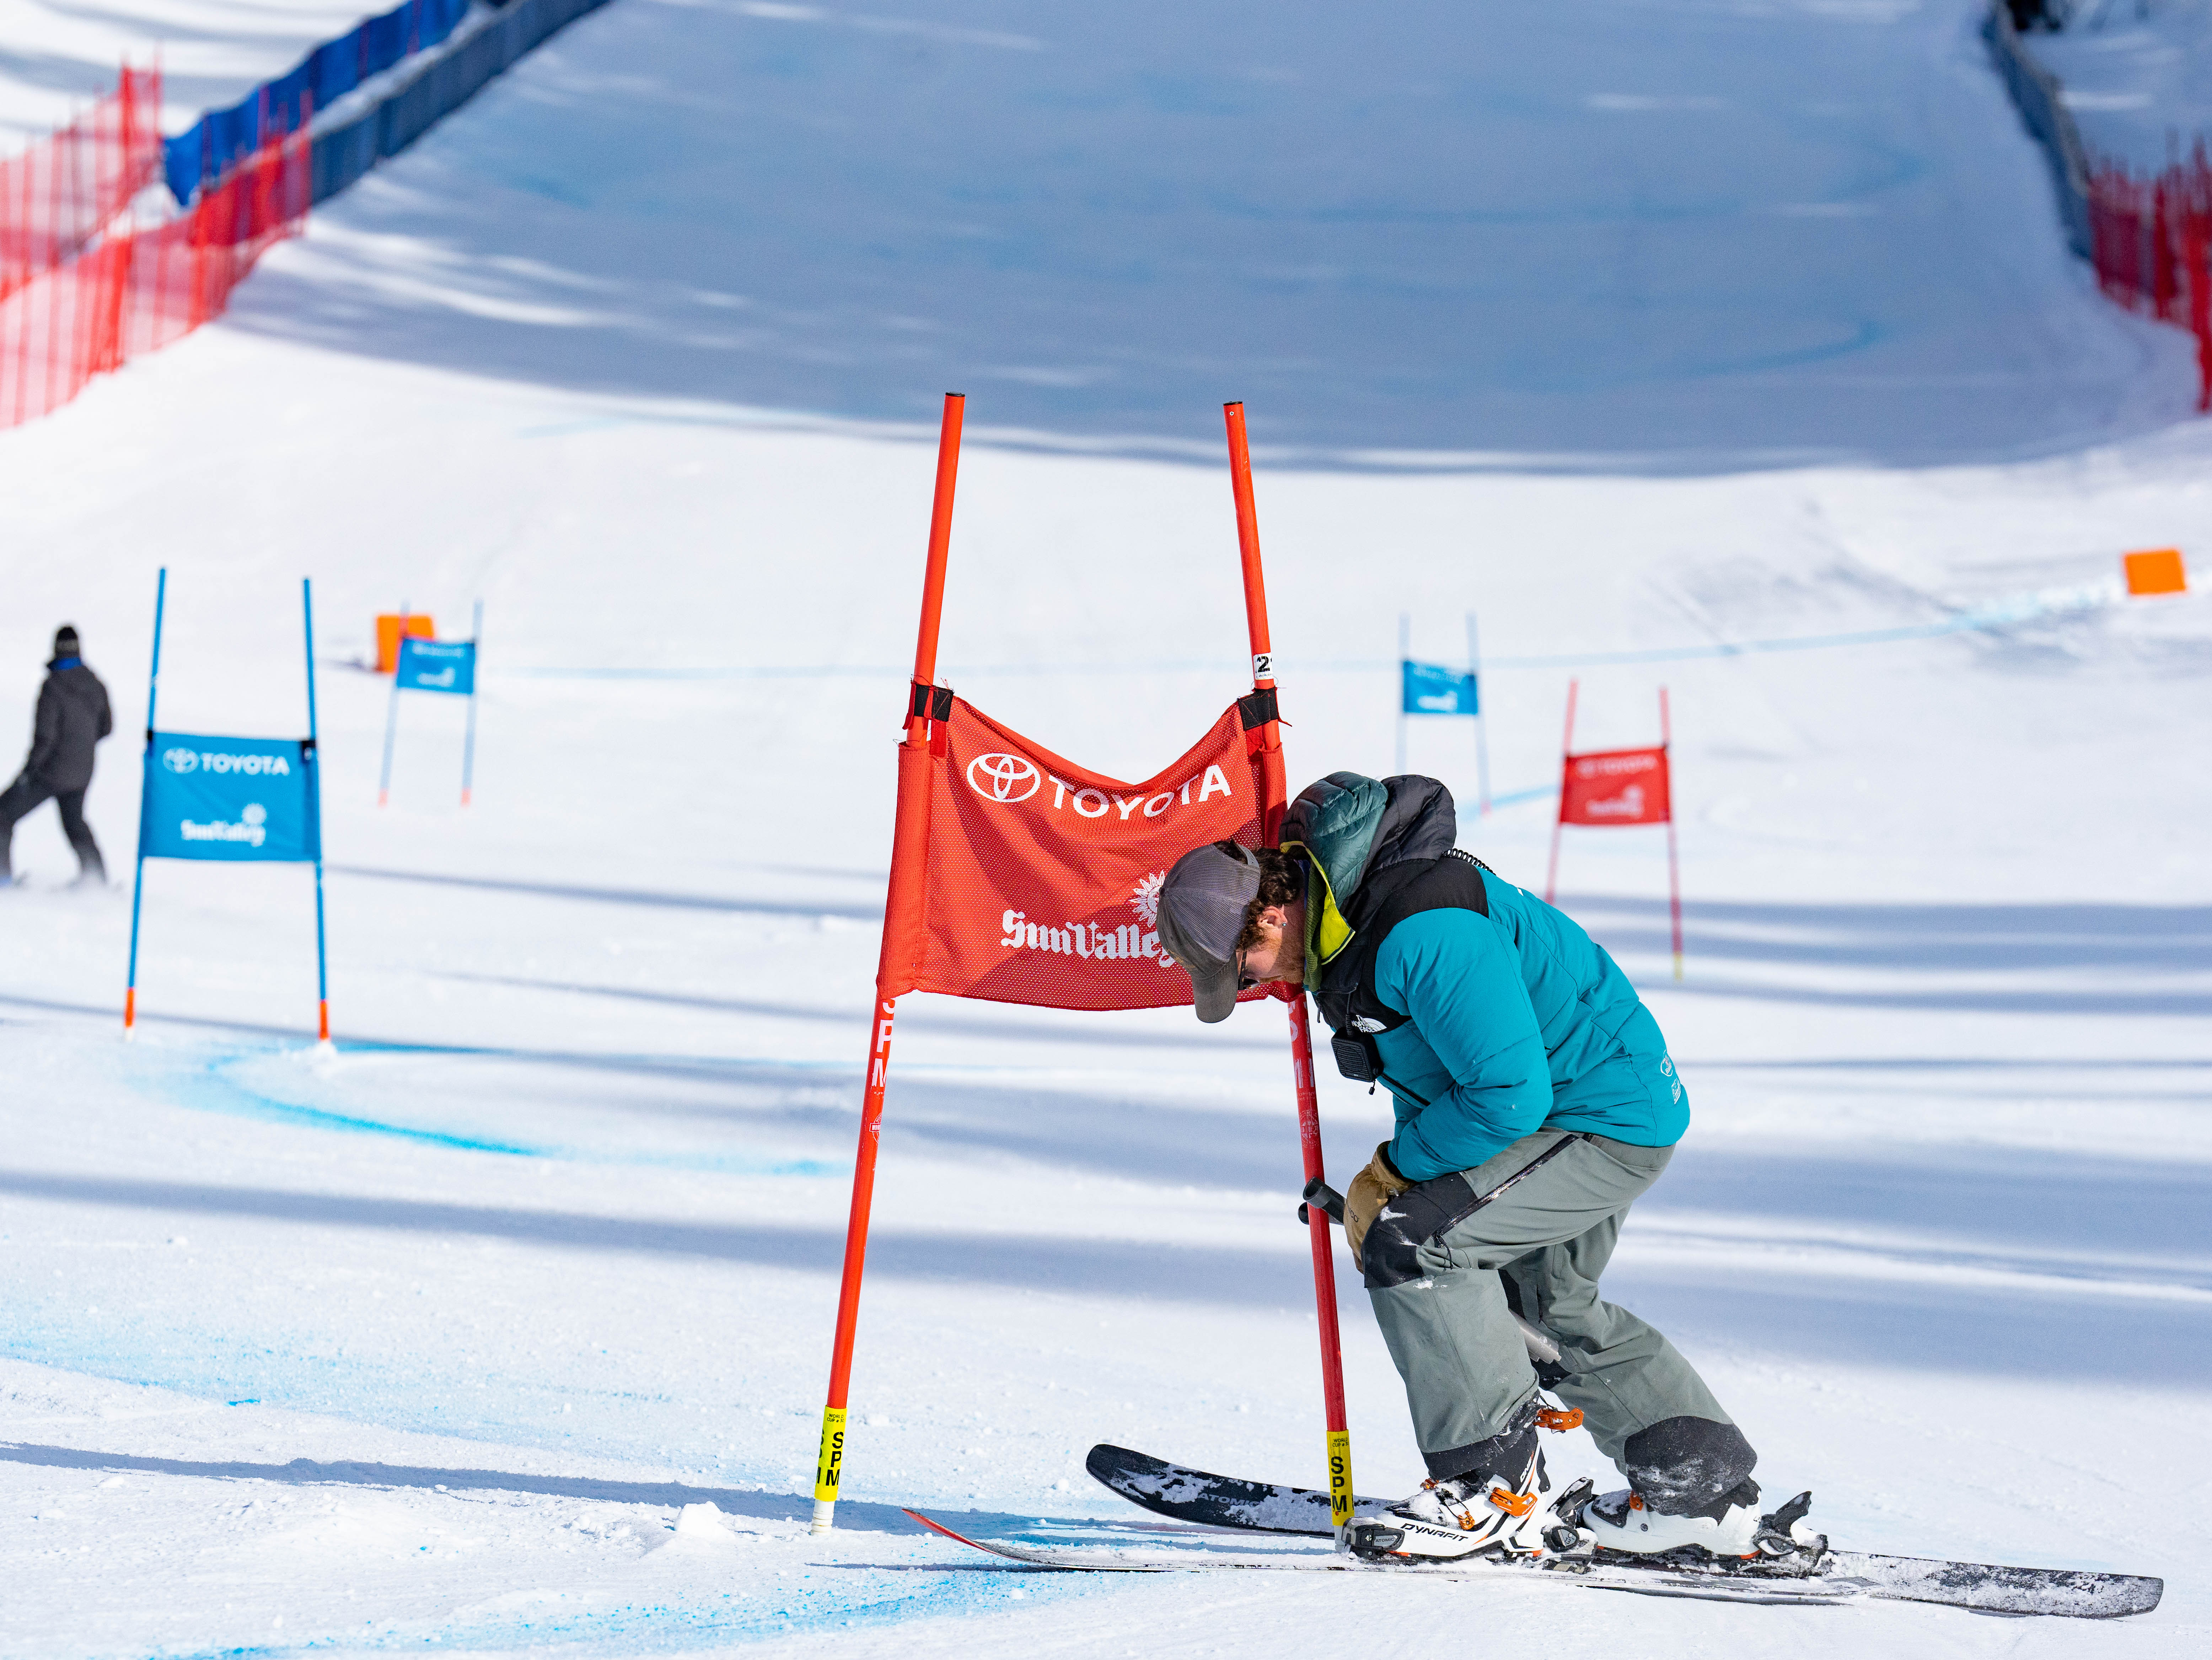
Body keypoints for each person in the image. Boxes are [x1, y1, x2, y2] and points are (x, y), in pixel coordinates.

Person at [1154, 771, 1763, 1563]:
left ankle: (1490, 1491)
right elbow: (1441, 1076)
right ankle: (1704, 1499)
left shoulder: (1417, 927)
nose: (1257, 982)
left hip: (1598, 1114)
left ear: (1270, 911)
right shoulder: (1344, 932)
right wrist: (1409, 1178)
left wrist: (1399, 1178)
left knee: (1418, 1245)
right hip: (1574, 1110)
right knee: (1545, 1304)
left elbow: (1507, 1094)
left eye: (1248, 964)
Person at [1, 626, 113, 888]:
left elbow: (45, 739)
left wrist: (30, 772)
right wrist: (81, 747)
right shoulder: (96, 685)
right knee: (75, 823)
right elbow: (107, 728)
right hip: (83, 771)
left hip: (49, 772)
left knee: (3, 816)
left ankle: (2, 881)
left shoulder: (53, 687)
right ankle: (96, 880)